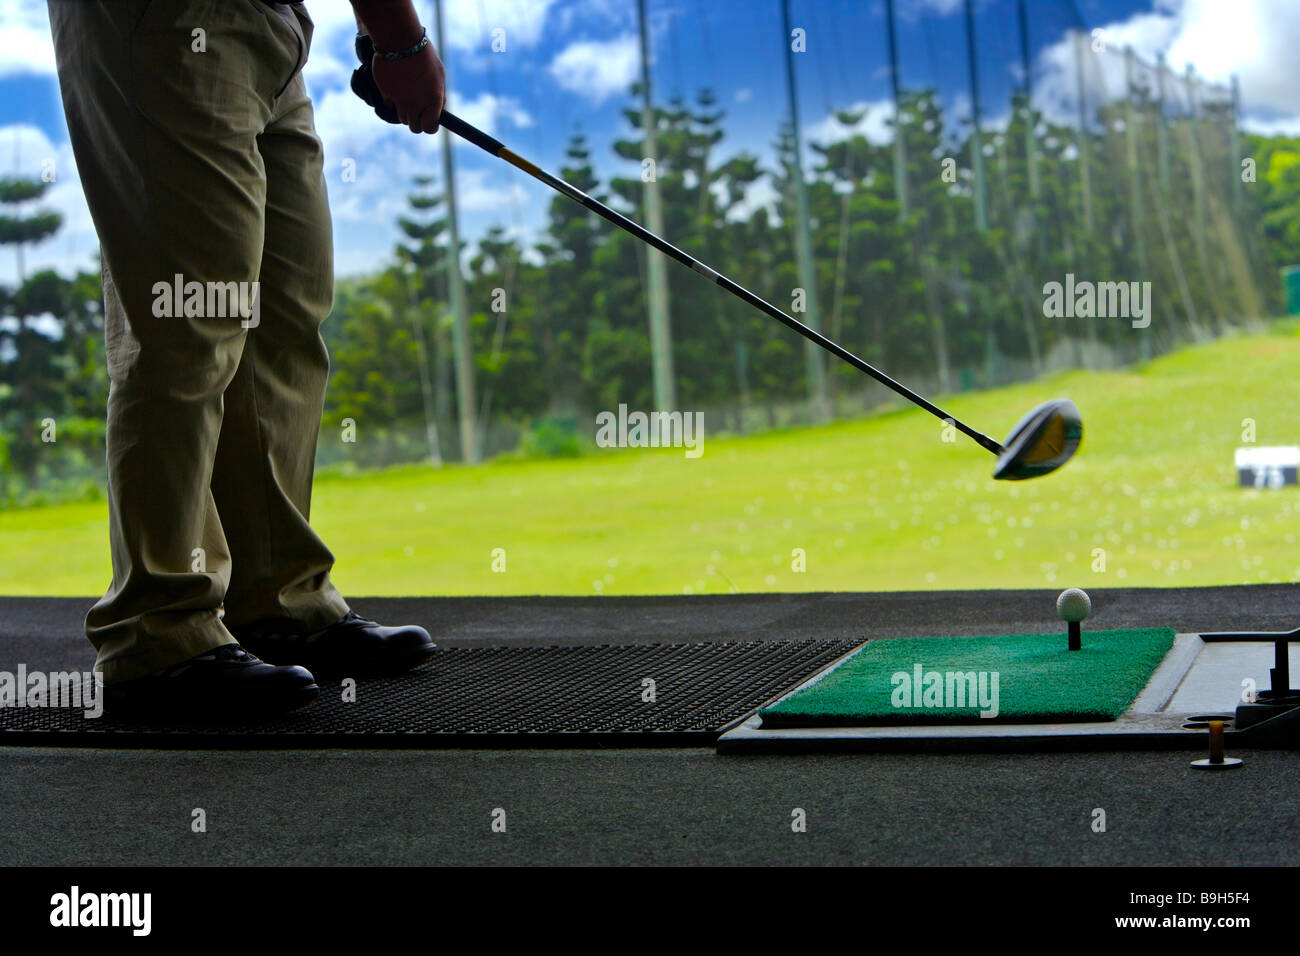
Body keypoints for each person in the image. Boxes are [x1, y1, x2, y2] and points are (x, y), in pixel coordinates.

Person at [47, 0, 447, 718]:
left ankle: (274, 600)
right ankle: (159, 631)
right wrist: (397, 38)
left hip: (272, 24)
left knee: (283, 316)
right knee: (188, 319)